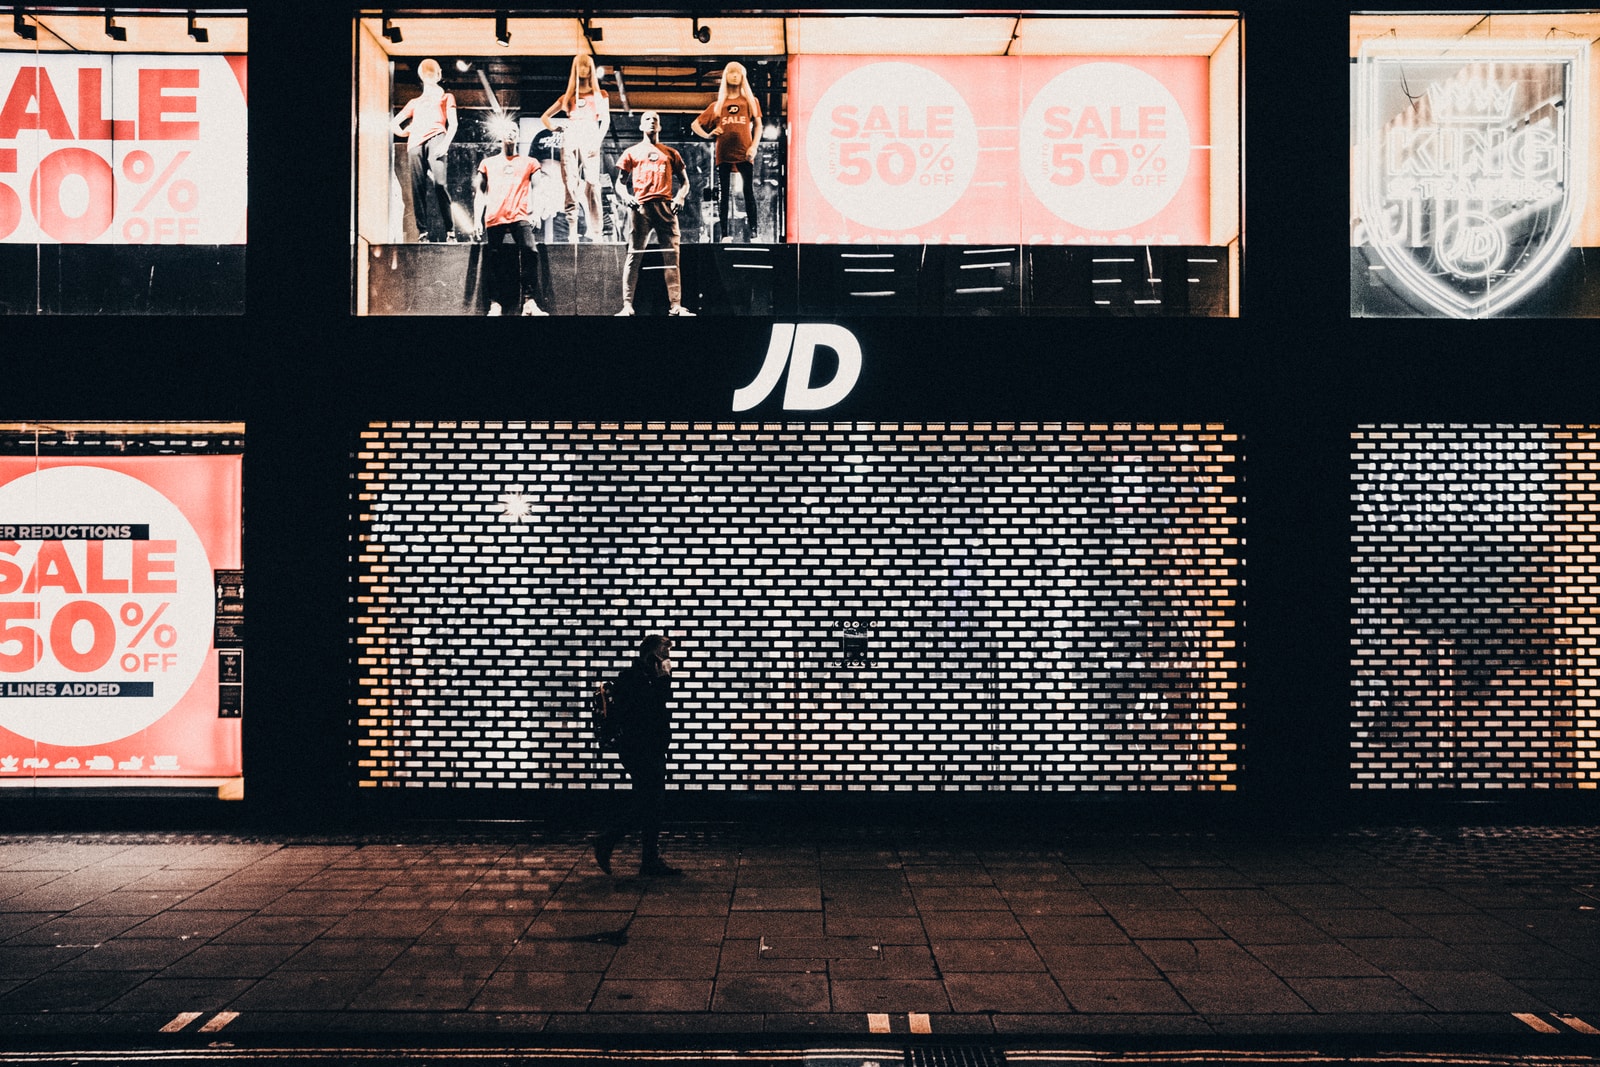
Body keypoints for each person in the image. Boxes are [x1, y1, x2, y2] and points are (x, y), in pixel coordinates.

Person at [594, 634, 682, 877]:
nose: (668, 660)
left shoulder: (646, 678)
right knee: (649, 803)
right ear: (652, 655)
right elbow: (651, 709)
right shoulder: (632, 679)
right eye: (664, 654)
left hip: (650, 749)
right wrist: (663, 678)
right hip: (640, 750)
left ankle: (648, 860)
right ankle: (608, 841)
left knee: (651, 804)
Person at [612, 111, 695, 316]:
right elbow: (619, 183)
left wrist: (680, 197)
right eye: (647, 119)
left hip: (666, 207)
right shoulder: (632, 152)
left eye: (655, 119)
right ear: (641, 126)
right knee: (634, 255)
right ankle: (627, 305)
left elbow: (685, 182)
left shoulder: (670, 153)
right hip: (641, 208)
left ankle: (675, 305)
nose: (651, 121)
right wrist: (626, 196)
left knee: (672, 257)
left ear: (660, 127)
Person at [474, 119, 549, 316]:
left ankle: (529, 303)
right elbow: (480, 193)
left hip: (519, 214)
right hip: (495, 215)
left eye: (514, 130)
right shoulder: (488, 163)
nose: (511, 133)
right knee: (494, 257)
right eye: (507, 130)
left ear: (518, 135)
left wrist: (537, 211)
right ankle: (495, 304)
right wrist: (476, 219)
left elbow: (539, 188)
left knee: (530, 251)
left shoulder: (530, 162)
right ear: (499, 135)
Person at [541, 54, 611, 242]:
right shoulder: (568, 97)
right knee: (570, 184)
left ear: (590, 69)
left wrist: (597, 141)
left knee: (593, 184)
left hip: (590, 135)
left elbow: (606, 120)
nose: (583, 70)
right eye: (579, 66)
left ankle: (596, 232)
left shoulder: (600, 95)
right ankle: (572, 229)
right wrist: (555, 127)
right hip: (571, 136)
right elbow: (545, 116)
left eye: (586, 66)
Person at [691, 61, 763, 242]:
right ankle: (724, 234)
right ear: (725, 76)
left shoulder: (750, 102)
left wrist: (754, 146)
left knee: (748, 192)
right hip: (723, 153)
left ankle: (754, 233)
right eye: (731, 72)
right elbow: (695, 124)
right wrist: (708, 135)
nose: (734, 76)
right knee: (724, 193)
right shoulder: (717, 105)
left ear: (743, 76)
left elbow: (759, 125)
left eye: (738, 72)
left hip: (744, 152)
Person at [390, 58, 459, 242]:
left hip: (437, 137)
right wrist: (406, 132)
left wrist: (445, 144)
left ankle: (450, 231)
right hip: (415, 144)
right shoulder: (414, 102)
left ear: (439, 75)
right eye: (427, 73)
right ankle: (423, 232)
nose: (430, 76)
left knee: (440, 184)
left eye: (433, 73)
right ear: (421, 76)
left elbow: (453, 124)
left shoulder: (446, 97)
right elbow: (393, 123)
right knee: (417, 188)